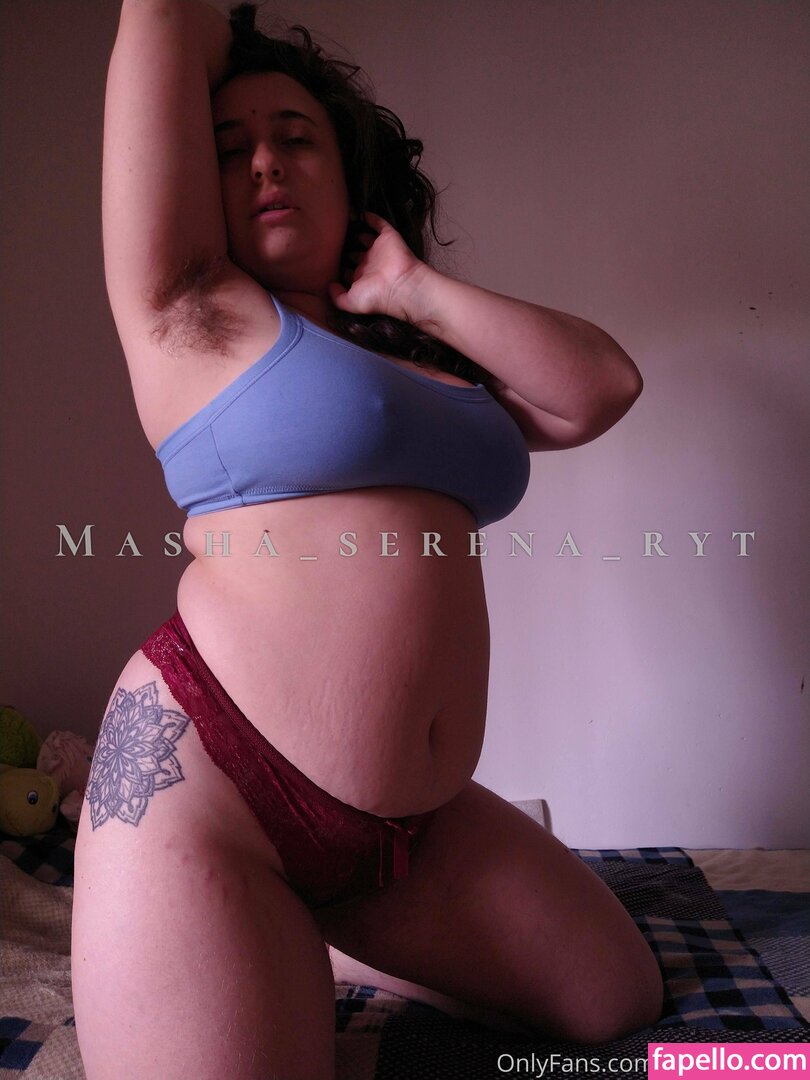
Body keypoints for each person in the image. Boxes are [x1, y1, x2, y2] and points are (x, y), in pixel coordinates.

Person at [71, 2, 662, 1077]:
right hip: (212, 789)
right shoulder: (194, 314)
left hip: (409, 835)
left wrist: (413, 290)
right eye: (229, 148)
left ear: (350, 177)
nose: (265, 160)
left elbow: (600, 389)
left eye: (296, 136)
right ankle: (245, 928)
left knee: (616, 1001)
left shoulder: (431, 363)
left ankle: (327, 936)